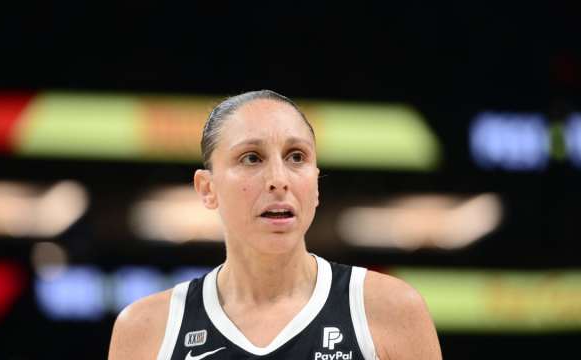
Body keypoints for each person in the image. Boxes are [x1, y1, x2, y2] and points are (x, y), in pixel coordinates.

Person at [108, 90, 442, 360]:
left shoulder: (391, 310)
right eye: (251, 158)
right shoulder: (146, 329)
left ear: (315, 184)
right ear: (207, 189)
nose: (278, 180)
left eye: (296, 156)